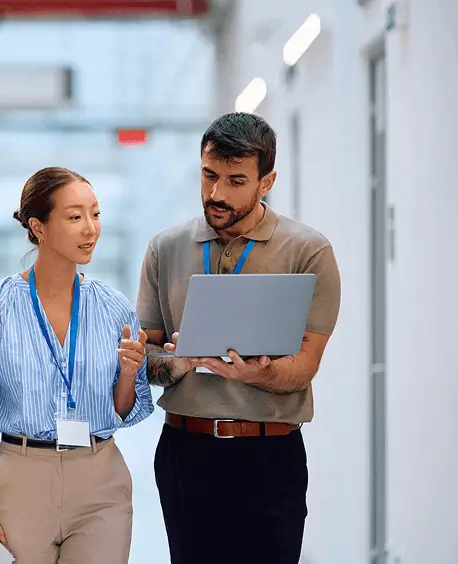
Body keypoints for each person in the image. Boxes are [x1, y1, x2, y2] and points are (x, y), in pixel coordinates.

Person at [137, 112, 341, 564]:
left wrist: (259, 373)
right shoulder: (164, 248)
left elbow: (306, 364)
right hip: (186, 454)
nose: (216, 193)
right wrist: (177, 363)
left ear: (265, 182)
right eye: (209, 176)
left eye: (235, 181)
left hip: (270, 455)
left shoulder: (309, 252)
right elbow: (144, 356)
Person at [0, 167, 155, 564]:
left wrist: (128, 374)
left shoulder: (114, 309)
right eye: (75, 217)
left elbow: (122, 410)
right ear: (38, 227)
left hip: (100, 480)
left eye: (95, 214)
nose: (90, 229)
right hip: (22, 479)